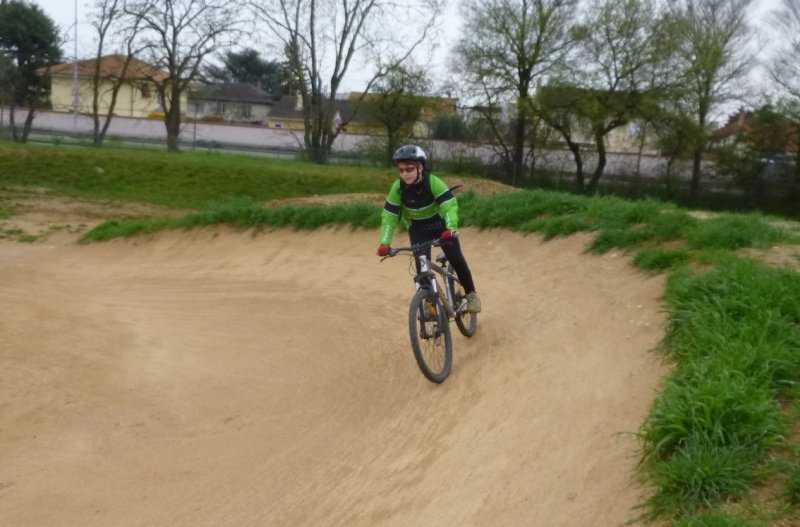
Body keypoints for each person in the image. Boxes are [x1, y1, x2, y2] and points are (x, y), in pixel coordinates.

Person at [376, 144, 481, 313]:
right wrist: (385, 242)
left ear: (421, 167)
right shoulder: (398, 188)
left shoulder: (433, 182)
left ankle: (471, 295)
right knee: (421, 267)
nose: (404, 174)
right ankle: (429, 303)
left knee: (456, 259)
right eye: (401, 170)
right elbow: (389, 216)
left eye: (409, 169)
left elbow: (449, 205)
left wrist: (451, 227)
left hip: (441, 226)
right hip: (418, 229)